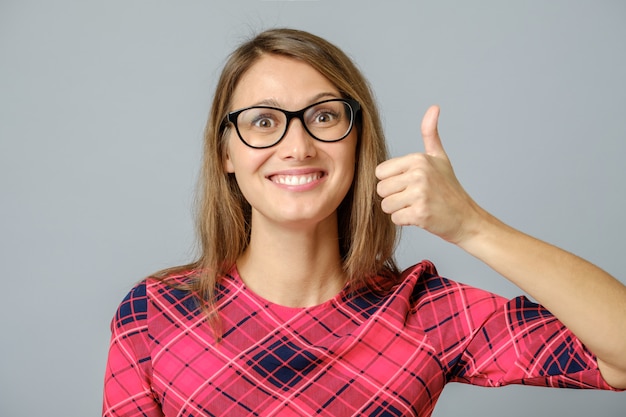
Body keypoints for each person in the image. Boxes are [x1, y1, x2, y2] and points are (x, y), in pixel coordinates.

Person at [102, 28, 626, 417]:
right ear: (226, 154)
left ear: (358, 141)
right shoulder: (155, 314)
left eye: (324, 116)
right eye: (263, 121)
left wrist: (471, 225)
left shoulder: (425, 312)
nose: (297, 146)